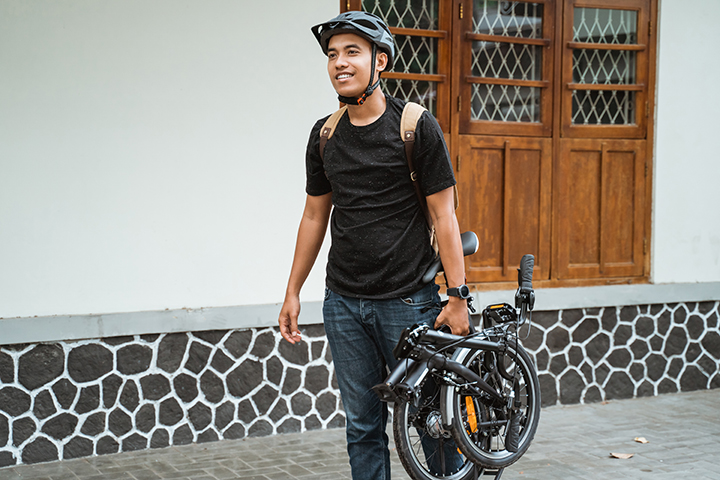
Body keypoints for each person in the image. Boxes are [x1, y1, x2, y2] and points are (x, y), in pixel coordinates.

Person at [278, 11, 471, 480]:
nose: (339, 63)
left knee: (432, 421)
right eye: (332, 55)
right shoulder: (325, 134)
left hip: (409, 301)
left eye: (352, 52)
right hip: (343, 302)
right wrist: (292, 290)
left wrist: (458, 296)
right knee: (363, 425)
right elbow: (313, 216)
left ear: (379, 60)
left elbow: (445, 215)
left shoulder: (414, 126)